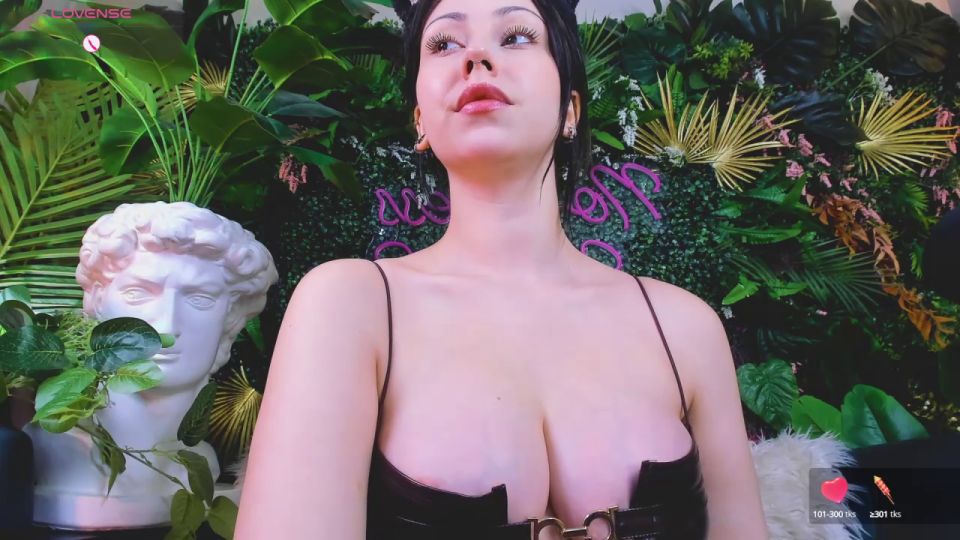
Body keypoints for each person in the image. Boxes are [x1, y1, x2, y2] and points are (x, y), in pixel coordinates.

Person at [235, 0, 769, 538]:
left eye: (515, 36)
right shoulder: (348, 307)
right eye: (444, 44)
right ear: (420, 120)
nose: (476, 56)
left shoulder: (685, 328)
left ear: (570, 110)